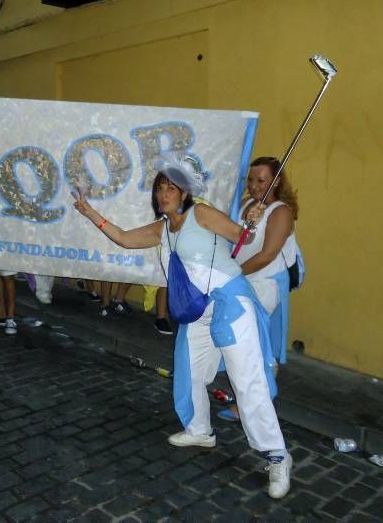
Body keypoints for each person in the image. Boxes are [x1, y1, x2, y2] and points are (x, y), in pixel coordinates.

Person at [72, 151, 292, 499]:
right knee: (188, 369)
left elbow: (241, 236)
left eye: (171, 188)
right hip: (198, 309)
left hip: (231, 301)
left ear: (185, 193)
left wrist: (251, 219)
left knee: (245, 379)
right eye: (160, 188)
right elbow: (125, 238)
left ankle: (277, 455)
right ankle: (200, 429)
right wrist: (89, 214)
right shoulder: (163, 229)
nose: (163, 194)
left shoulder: (200, 213)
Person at [219, 156, 300, 422]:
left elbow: (267, 254)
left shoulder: (281, 211)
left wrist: (231, 275)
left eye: (261, 180)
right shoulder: (246, 205)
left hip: (263, 284)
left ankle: (255, 400)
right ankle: (244, 394)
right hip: (240, 280)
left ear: (276, 182)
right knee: (238, 342)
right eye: (251, 180)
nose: (254, 186)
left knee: (253, 343)